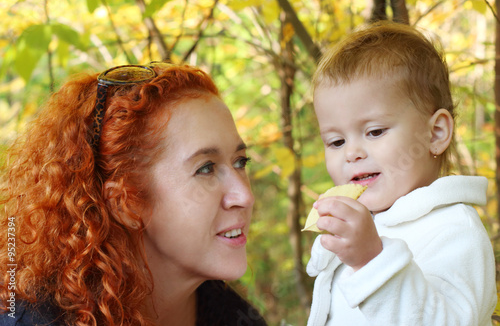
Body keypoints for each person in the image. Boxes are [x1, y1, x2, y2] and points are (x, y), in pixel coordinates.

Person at [0, 62, 267, 325]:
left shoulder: (234, 316)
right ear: (125, 203)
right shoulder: (34, 320)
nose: (245, 196)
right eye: (206, 168)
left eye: (240, 161)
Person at [306, 22, 496, 325]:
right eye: (336, 141)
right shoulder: (362, 228)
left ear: (434, 134)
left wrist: (373, 262)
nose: (351, 153)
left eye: (375, 131)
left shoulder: (453, 229)